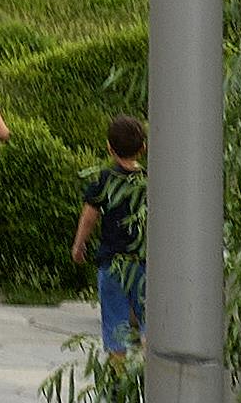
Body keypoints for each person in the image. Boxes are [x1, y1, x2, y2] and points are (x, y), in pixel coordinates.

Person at [71, 115, 147, 365]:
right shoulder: (148, 181)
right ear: (143, 148)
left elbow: (89, 216)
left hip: (112, 261)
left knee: (115, 325)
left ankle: (118, 376)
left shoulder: (104, 179)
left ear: (109, 148)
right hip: (143, 261)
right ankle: (151, 375)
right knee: (150, 322)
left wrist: (79, 244)